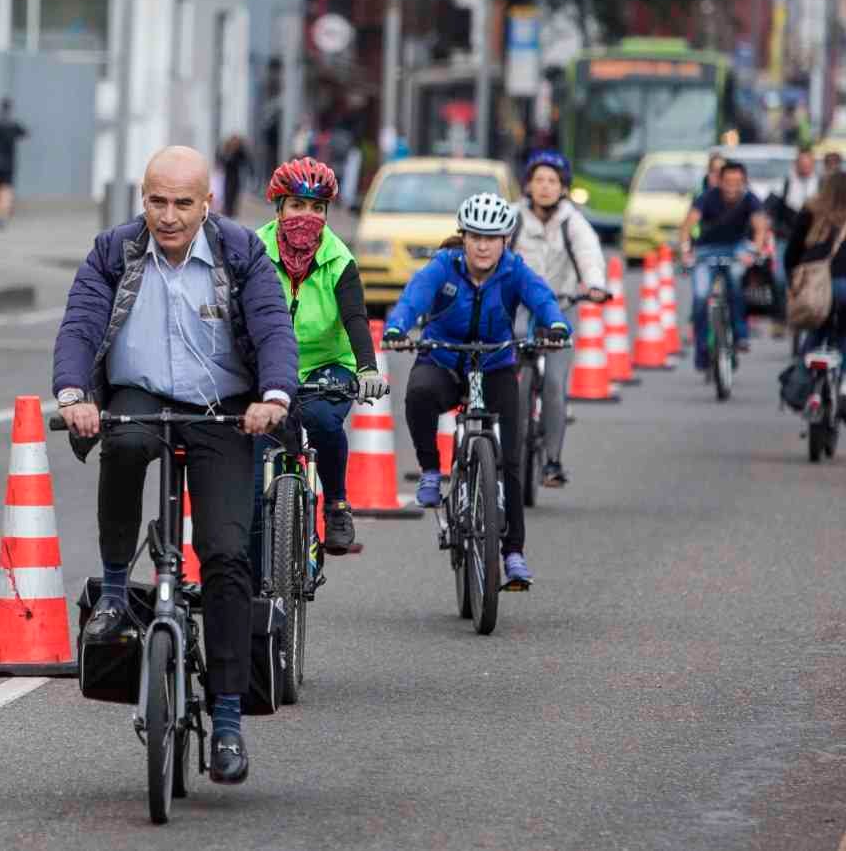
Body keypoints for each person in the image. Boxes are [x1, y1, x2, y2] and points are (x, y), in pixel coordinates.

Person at [52, 145, 298, 785]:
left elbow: (272, 326)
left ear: (207, 203)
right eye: (157, 201)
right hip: (141, 394)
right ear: (143, 197)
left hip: (225, 408)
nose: (168, 216)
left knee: (224, 555)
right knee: (126, 442)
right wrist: (75, 395)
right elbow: (80, 323)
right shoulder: (116, 249)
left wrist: (273, 397)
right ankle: (111, 592)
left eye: (182, 203)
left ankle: (225, 721)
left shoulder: (241, 252)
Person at [383, 193, 570, 587]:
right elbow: (413, 298)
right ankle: (432, 470)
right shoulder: (443, 268)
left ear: (505, 240)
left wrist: (555, 327)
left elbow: (542, 298)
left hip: (495, 364)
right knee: (418, 393)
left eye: (492, 238)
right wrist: (398, 328)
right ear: (463, 238)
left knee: (512, 458)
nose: (483, 245)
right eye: (475, 237)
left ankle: (513, 553)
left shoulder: (514, 270)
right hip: (445, 360)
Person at [249, 157, 383, 560]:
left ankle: (337, 505)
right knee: (254, 482)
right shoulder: (252, 250)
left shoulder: (340, 259)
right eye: (297, 206)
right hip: (265, 367)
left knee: (323, 420)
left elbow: (356, 317)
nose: (307, 216)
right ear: (278, 208)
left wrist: (367, 368)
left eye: (318, 208)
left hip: (327, 364)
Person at [509, 150, 607, 487]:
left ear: (563, 187)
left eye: (553, 181)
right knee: (507, 377)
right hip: (519, 308)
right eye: (539, 180)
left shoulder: (572, 222)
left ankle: (552, 460)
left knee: (553, 383)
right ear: (528, 185)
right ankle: (503, 446)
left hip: (561, 308)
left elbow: (589, 254)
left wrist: (594, 285)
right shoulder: (513, 218)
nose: (546, 187)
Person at [783, 171, 846, 424]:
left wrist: (792, 278)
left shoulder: (810, 210)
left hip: (815, 286)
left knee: (816, 330)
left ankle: (802, 383)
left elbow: (792, 251)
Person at [678, 160, 770, 370]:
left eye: (737, 182)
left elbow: (760, 228)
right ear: (719, 181)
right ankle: (701, 351)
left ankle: (740, 335)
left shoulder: (750, 199)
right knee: (701, 296)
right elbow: (687, 226)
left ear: (744, 182)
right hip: (706, 251)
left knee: (736, 282)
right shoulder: (707, 197)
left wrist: (753, 252)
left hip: (736, 249)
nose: (732, 187)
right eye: (728, 181)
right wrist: (685, 252)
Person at [769, 147, 821, 336]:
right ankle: (780, 318)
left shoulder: (821, 185)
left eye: (809, 164)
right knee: (780, 278)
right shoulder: (784, 184)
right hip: (787, 240)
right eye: (802, 164)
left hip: (813, 242)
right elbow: (770, 209)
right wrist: (775, 226)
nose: (805, 168)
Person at [0, 98, 28, 228]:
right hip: (9, 162)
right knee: (6, 189)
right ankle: (3, 215)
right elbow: (25, 133)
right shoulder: (12, 124)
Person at [218, 135, 253, 218]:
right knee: (227, 192)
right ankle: (227, 210)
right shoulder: (226, 149)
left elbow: (246, 160)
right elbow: (221, 160)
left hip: (236, 175)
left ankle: (231, 210)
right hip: (228, 175)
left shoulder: (239, 151)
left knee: (234, 192)